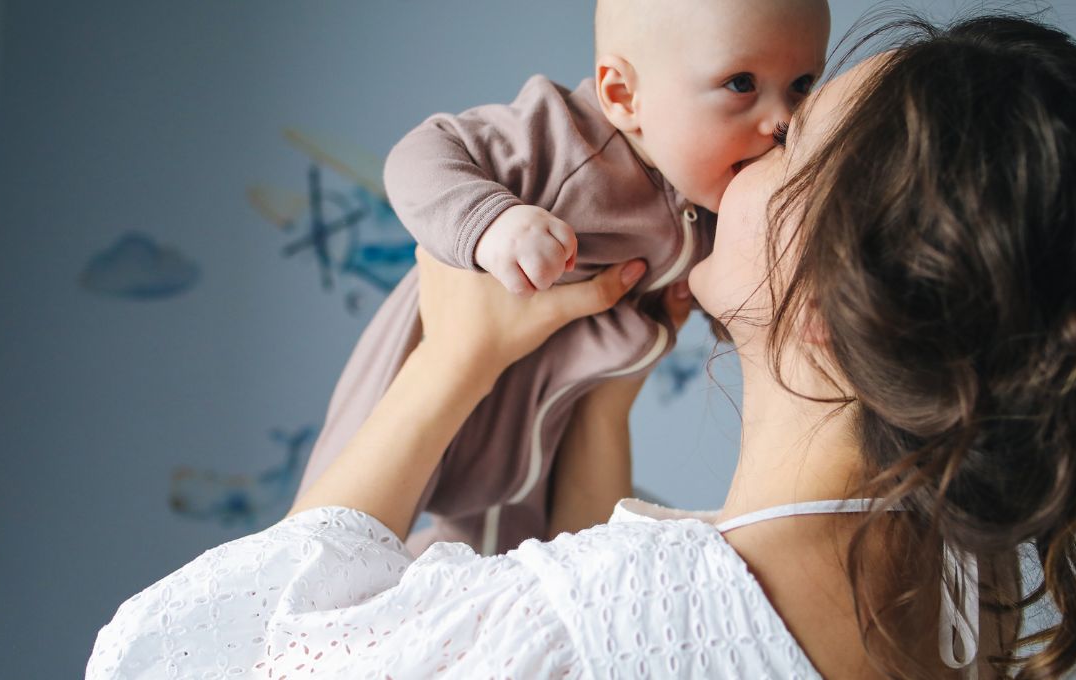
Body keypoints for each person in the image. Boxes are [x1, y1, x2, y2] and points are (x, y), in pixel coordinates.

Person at [87, 13, 1076, 679]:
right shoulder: (955, 600)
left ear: (822, 304)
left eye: (794, 132)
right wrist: (600, 407)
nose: (749, 146)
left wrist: (448, 360)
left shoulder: (592, 629)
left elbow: (207, 658)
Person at [294, 0, 831, 557]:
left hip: (545, 426)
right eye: (742, 83)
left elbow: (739, 299)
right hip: (433, 367)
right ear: (623, 96)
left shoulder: (715, 198)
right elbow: (421, 153)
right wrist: (490, 223)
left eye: (801, 85)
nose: (783, 121)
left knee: (507, 556)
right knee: (332, 543)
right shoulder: (563, 138)